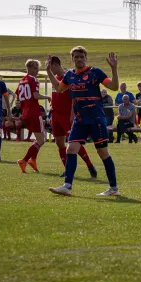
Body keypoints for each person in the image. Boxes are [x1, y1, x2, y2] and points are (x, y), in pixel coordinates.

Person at [47, 47, 120, 197]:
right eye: (76, 57)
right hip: (80, 120)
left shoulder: (95, 73)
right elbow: (59, 89)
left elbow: (114, 86)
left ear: (86, 58)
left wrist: (114, 69)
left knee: (102, 152)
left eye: (81, 56)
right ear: (72, 59)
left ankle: (113, 188)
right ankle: (67, 186)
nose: (79, 59)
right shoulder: (69, 75)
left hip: (96, 119)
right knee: (71, 149)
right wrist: (48, 71)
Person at [49, 55, 97, 177]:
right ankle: (67, 170)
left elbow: (74, 97)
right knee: (59, 142)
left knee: (74, 142)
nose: (49, 70)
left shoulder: (68, 77)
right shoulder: (54, 78)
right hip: (56, 114)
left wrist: (72, 113)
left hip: (66, 114)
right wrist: (51, 112)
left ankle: (90, 165)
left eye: (50, 67)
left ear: (55, 64)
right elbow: (55, 96)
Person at [16, 59, 51, 173]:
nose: (37, 71)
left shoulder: (21, 81)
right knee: (42, 140)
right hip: (34, 112)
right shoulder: (34, 80)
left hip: (26, 113)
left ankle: (33, 160)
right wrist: (48, 97)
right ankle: (25, 160)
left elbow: (19, 99)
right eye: (36, 68)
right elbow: (35, 96)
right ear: (30, 68)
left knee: (38, 139)